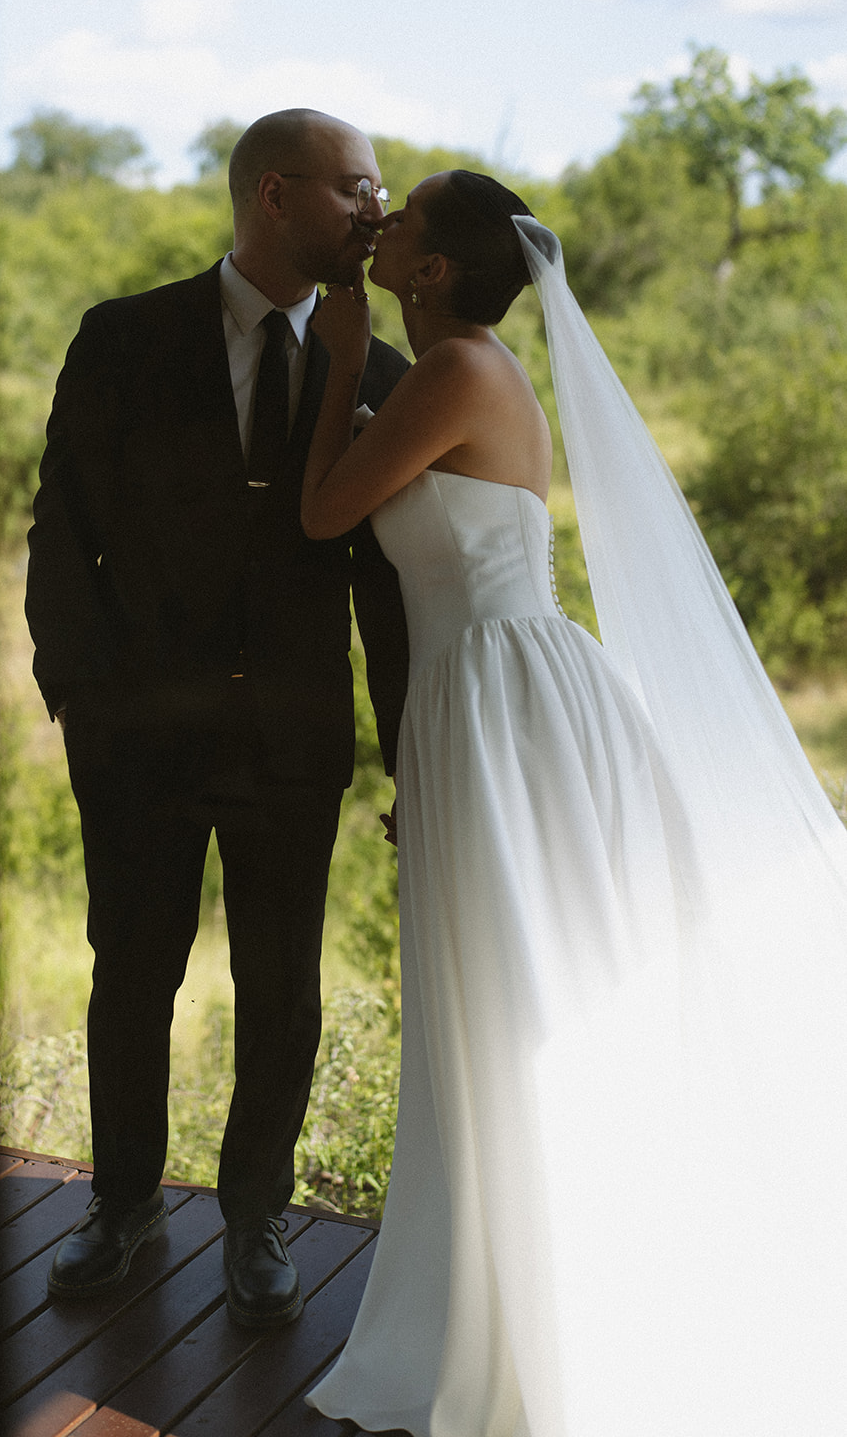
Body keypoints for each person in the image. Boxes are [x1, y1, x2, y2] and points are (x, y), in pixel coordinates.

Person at [300, 170, 847, 1435]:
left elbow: (329, 511)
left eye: (408, 217)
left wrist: (338, 363)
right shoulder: (452, 360)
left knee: (526, 992)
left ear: (431, 272)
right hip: (472, 702)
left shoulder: (451, 372)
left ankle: (564, 1303)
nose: (384, 224)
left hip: (507, 705)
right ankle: (507, 1283)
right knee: (491, 992)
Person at [24, 109, 410, 1329]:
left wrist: (409, 754)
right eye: (355, 187)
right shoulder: (124, 338)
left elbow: (389, 588)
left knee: (281, 982)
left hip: (292, 743)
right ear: (275, 196)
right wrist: (76, 692)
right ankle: (121, 1204)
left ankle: (257, 1216)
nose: (375, 208)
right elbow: (59, 524)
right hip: (131, 739)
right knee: (129, 973)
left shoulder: (386, 377)